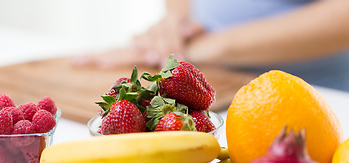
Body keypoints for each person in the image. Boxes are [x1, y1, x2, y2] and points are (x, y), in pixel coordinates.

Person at [73, 0, 349, 89]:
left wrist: (208, 48)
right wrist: (175, 26)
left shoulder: (204, 51)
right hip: (203, 69)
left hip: (318, 93)